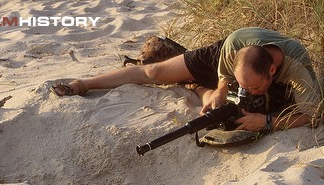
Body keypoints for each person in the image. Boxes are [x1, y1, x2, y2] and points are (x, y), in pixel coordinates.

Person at [52, 27, 322, 132]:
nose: (245, 90)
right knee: (154, 72)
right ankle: (83, 84)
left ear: (272, 72)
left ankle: (194, 86)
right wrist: (222, 87)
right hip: (221, 56)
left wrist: (268, 122)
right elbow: (227, 76)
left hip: (274, 86)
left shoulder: (297, 69)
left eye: (252, 86)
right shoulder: (234, 46)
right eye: (243, 84)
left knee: (249, 109)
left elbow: (314, 115)